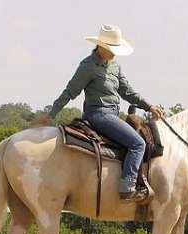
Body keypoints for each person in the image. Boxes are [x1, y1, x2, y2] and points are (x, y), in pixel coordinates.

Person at [45, 24, 164, 202]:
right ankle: (128, 186)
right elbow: (70, 91)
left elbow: (128, 92)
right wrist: (50, 115)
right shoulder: (88, 66)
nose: (115, 52)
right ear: (100, 46)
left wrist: (149, 106)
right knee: (138, 144)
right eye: (112, 48)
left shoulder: (115, 66)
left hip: (113, 115)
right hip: (98, 115)